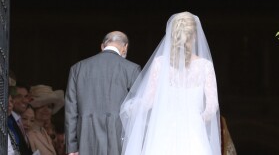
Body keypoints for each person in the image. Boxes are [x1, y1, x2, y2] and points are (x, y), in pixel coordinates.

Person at [120, 12, 221, 155]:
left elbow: (148, 101)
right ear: (195, 36)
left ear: (173, 36)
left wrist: (130, 107)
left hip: (163, 131)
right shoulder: (205, 66)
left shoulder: (160, 64)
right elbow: (212, 107)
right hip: (193, 132)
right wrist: (198, 119)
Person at [65, 31, 141, 155]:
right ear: (125, 47)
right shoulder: (132, 69)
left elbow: (71, 111)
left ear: (102, 46)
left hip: (85, 137)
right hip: (117, 138)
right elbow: (138, 110)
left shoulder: (77, 68)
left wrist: (72, 147)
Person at [27, 85, 64, 155]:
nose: (46, 110)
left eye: (49, 106)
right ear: (34, 108)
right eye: (41, 106)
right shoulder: (29, 133)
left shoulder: (44, 132)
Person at [8, 83, 33, 155]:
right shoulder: (8, 120)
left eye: (26, 96)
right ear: (11, 98)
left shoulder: (19, 120)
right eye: (19, 96)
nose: (24, 100)